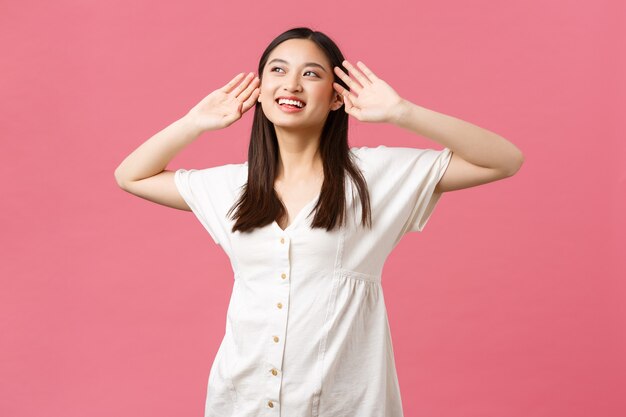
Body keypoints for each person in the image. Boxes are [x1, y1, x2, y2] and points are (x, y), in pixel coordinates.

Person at [114, 27, 523, 417]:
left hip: (343, 402)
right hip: (242, 401)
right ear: (259, 90)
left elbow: (504, 160)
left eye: (311, 74)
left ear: (334, 97)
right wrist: (194, 122)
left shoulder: (375, 177)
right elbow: (131, 175)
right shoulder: (231, 186)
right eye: (277, 69)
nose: (291, 84)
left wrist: (403, 113)